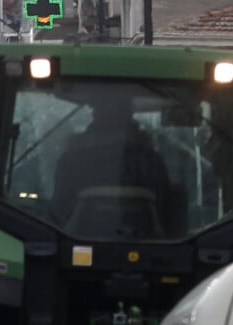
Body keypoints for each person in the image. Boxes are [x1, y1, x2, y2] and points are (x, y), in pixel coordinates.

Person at [50, 101, 179, 238]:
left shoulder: (71, 161)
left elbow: (58, 210)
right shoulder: (153, 161)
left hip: (72, 246)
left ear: (95, 119)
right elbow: (167, 209)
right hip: (152, 245)